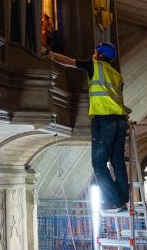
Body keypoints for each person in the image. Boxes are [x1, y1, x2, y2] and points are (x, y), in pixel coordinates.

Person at [49, 42, 130, 213]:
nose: (93, 55)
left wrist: (50, 54)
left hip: (104, 119)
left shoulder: (95, 66)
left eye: (95, 52)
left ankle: (113, 202)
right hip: (120, 120)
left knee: (99, 163)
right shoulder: (117, 75)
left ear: (100, 55)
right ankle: (122, 199)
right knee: (117, 161)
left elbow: (68, 61)